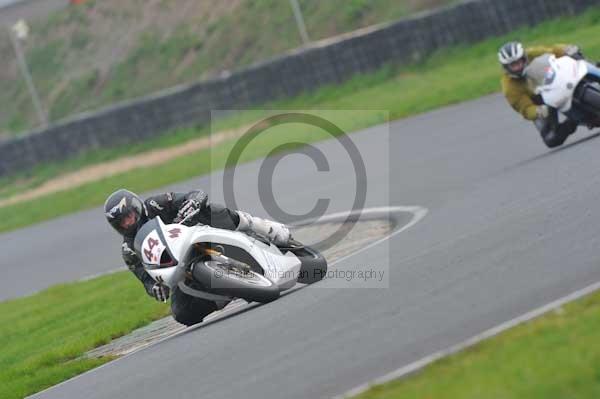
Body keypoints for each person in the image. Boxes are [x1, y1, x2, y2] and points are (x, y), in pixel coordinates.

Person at [104, 188, 291, 326]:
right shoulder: (129, 250)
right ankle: (225, 292)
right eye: (122, 222)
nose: (128, 223)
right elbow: (145, 279)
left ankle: (259, 226)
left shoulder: (155, 204)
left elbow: (196, 194)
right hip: (180, 267)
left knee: (211, 210)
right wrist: (155, 288)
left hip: (199, 233)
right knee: (181, 313)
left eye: (129, 216)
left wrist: (192, 203)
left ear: (136, 207)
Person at [498, 41, 584, 148]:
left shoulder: (532, 53)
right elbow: (526, 109)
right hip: (539, 101)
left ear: (524, 57)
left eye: (519, 62)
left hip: (554, 80)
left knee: (577, 58)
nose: (518, 67)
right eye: (513, 65)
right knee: (551, 139)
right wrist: (539, 111)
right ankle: (573, 122)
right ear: (506, 67)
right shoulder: (509, 88)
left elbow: (552, 51)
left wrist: (567, 50)